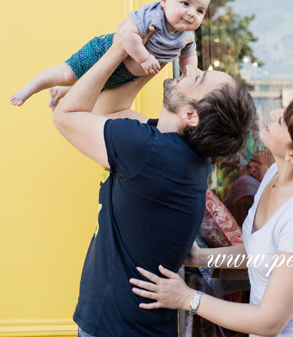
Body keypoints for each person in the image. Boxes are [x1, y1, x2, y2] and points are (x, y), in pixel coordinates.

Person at [51, 28, 257, 337]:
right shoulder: (175, 152)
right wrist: (157, 52)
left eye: (198, 80)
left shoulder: (149, 151)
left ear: (190, 115)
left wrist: (118, 51)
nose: (193, 70)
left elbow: (65, 115)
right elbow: (111, 111)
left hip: (114, 330)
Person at [129, 94, 293, 337]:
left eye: (282, 122)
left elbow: (268, 323)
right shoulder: (276, 172)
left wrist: (187, 298)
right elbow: (262, 252)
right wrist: (200, 257)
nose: (274, 113)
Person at [10, 0, 211, 106]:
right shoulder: (153, 15)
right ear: (164, 0)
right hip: (103, 52)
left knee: (94, 87)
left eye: (200, 10)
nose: (192, 13)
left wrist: (191, 73)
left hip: (125, 74)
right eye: (185, 3)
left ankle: (60, 92)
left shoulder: (187, 36)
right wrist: (144, 58)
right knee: (66, 74)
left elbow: (188, 56)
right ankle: (29, 89)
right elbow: (126, 33)